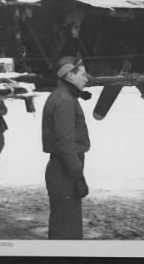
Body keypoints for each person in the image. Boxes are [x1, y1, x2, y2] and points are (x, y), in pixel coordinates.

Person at [42, 55, 91, 239]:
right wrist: (78, 178)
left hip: (63, 168)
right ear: (70, 76)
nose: (86, 79)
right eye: (83, 75)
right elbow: (65, 144)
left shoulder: (62, 96)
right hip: (66, 170)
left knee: (62, 224)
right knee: (68, 230)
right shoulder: (65, 101)